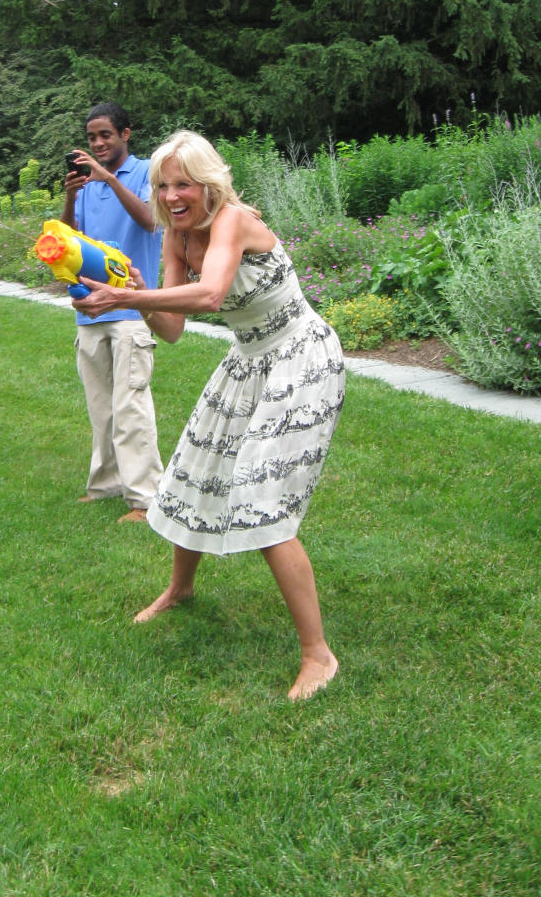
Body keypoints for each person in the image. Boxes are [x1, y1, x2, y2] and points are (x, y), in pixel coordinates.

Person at [76, 130, 345, 701]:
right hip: (248, 360)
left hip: (301, 357)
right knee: (193, 472)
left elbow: (209, 294)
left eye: (185, 184)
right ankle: (180, 590)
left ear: (209, 183)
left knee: (261, 493)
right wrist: (140, 291)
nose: (174, 196)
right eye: (164, 185)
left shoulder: (233, 220)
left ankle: (318, 655)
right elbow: (172, 330)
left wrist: (125, 300)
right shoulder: (176, 238)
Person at [62, 102, 164, 522]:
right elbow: (71, 241)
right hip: (91, 310)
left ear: (126, 134)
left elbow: (151, 221)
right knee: (101, 407)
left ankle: (145, 498)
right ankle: (105, 484)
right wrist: (71, 197)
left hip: (130, 311)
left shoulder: (146, 174)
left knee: (131, 406)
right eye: (91, 138)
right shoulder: (85, 184)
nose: (98, 144)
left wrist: (108, 179)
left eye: (105, 135)